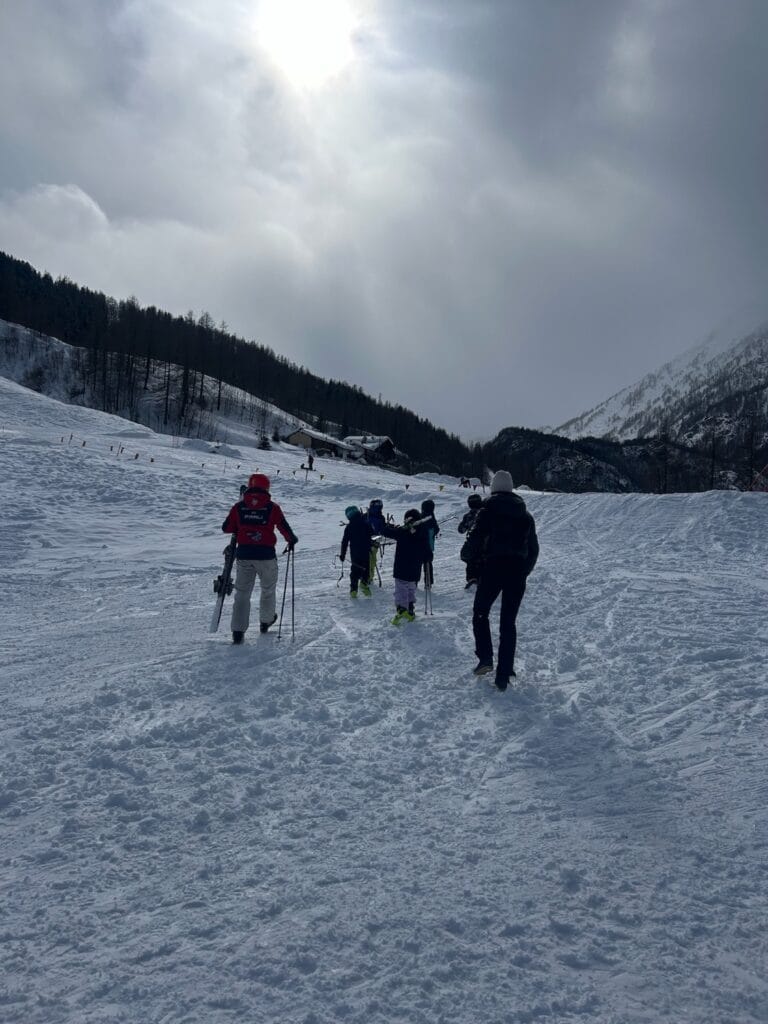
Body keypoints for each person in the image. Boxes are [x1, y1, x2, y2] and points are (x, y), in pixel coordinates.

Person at [462, 470, 538, 690]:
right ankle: (504, 674)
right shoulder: (525, 515)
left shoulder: (487, 511)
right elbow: (533, 549)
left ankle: (485, 658)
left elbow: (475, 539)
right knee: (508, 622)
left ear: (494, 489)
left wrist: (467, 556)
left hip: (492, 569)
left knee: (480, 612)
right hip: (517, 572)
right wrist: (524, 571)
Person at [222, 473, 298, 644]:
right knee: (268, 589)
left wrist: (241, 524)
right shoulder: (272, 507)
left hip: (244, 556)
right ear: (267, 487)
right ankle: (266, 621)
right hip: (266, 556)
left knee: (242, 594)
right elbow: (284, 528)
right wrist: (292, 540)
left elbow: (226, 528)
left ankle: (238, 631)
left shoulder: (239, 507)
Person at [378, 509, 432, 624]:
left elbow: (387, 532)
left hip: (401, 568)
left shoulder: (403, 531)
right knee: (411, 588)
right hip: (415, 569)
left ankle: (402, 609)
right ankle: (410, 609)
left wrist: (382, 524)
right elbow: (427, 550)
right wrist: (427, 557)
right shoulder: (423, 532)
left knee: (401, 589)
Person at [340, 506, 374, 598]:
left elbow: (344, 542)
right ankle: (363, 584)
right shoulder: (365, 524)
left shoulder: (349, 527)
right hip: (365, 551)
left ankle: (353, 589)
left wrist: (343, 554)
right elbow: (372, 533)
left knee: (354, 571)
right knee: (366, 569)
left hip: (355, 553)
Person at [458, 492, 483, 588]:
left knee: (470, 559)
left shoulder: (469, 515)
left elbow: (461, 530)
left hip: (472, 541)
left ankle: (472, 578)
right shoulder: (487, 512)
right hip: (486, 542)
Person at [419, 499, 440, 587]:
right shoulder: (432, 518)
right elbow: (437, 529)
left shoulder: (420, 517)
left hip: (419, 545)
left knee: (417, 563)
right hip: (429, 545)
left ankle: (414, 581)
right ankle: (428, 582)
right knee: (428, 563)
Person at [365, 498, 386, 580]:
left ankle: (368, 577)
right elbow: (383, 530)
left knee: (369, 560)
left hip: (367, 542)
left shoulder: (366, 515)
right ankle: (368, 577)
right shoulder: (380, 517)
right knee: (372, 560)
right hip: (374, 542)